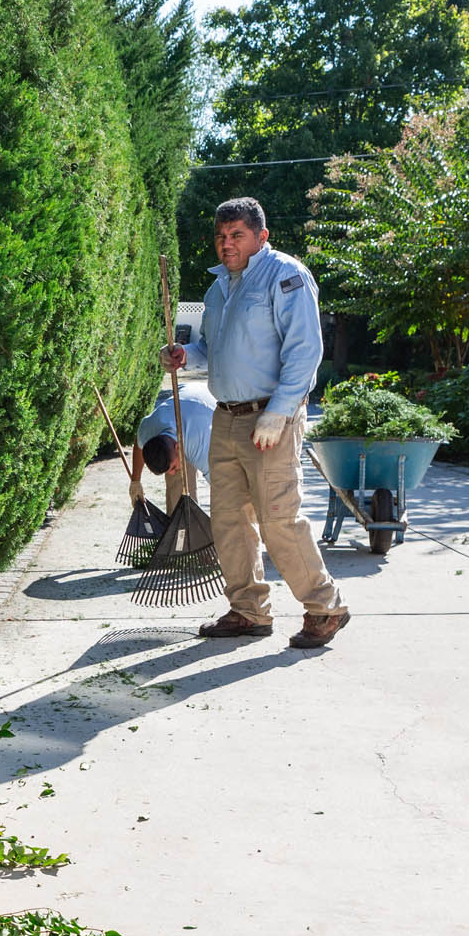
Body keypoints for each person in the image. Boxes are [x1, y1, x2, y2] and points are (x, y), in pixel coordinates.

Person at [162, 197, 349, 648]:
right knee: (229, 522)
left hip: (271, 419)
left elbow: (305, 351)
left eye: (236, 236)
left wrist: (280, 412)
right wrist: (187, 357)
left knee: (279, 518)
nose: (226, 245)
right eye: (221, 237)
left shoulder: (285, 276)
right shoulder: (218, 287)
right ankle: (249, 611)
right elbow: (213, 348)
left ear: (261, 236)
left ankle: (326, 607)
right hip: (225, 417)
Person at [132, 381, 216, 512]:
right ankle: (180, 525)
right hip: (181, 401)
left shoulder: (201, 447)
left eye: (171, 468)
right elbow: (139, 444)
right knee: (178, 484)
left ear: (178, 447)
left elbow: (221, 486)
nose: (170, 472)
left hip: (211, 403)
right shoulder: (149, 429)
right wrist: (135, 481)